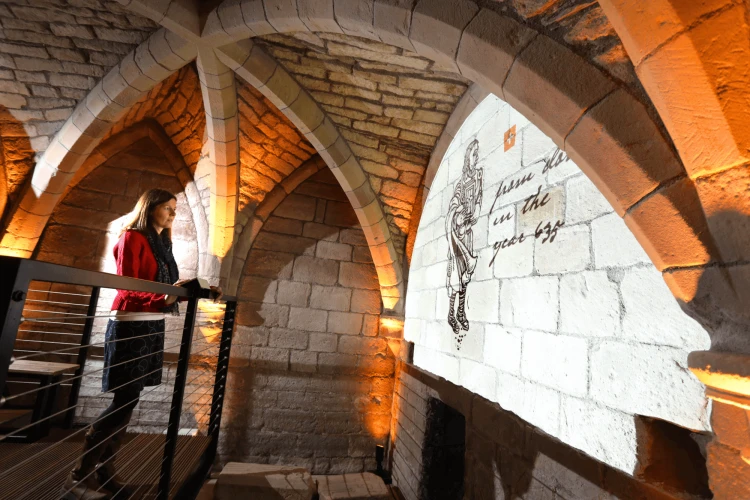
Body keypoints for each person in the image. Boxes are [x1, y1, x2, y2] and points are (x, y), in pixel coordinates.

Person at [64, 189, 188, 500]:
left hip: (152, 324)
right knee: (125, 398)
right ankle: (78, 476)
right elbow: (127, 285)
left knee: (130, 399)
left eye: (175, 209)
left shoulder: (164, 244)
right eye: (167, 208)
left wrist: (186, 289)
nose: (173, 214)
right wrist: (164, 296)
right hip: (130, 323)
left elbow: (162, 285)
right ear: (150, 208)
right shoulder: (132, 238)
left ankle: (104, 472)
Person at [445, 139, 483, 345]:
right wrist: (457, 213)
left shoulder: (478, 177)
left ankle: (461, 312)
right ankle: (451, 312)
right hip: (456, 235)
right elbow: (455, 200)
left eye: (478, 154)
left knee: (466, 275)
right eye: (474, 154)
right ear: (468, 156)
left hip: (467, 233)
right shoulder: (461, 181)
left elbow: (478, 200)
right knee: (455, 276)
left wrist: (474, 211)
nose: (476, 158)